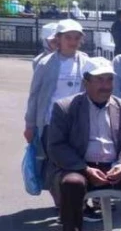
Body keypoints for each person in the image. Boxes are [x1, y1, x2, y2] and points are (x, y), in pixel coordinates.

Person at [46, 57, 121, 231]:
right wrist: (84, 169)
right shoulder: (65, 107)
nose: (105, 86)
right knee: (72, 184)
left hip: (115, 166)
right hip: (80, 165)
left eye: (109, 80)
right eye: (99, 80)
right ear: (85, 82)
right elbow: (56, 146)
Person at [25, 20, 94, 148]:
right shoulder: (45, 64)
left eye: (77, 38)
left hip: (76, 123)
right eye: (68, 37)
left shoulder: (87, 63)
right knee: (50, 161)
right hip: (50, 122)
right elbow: (34, 95)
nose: (73, 42)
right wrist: (30, 125)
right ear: (58, 38)